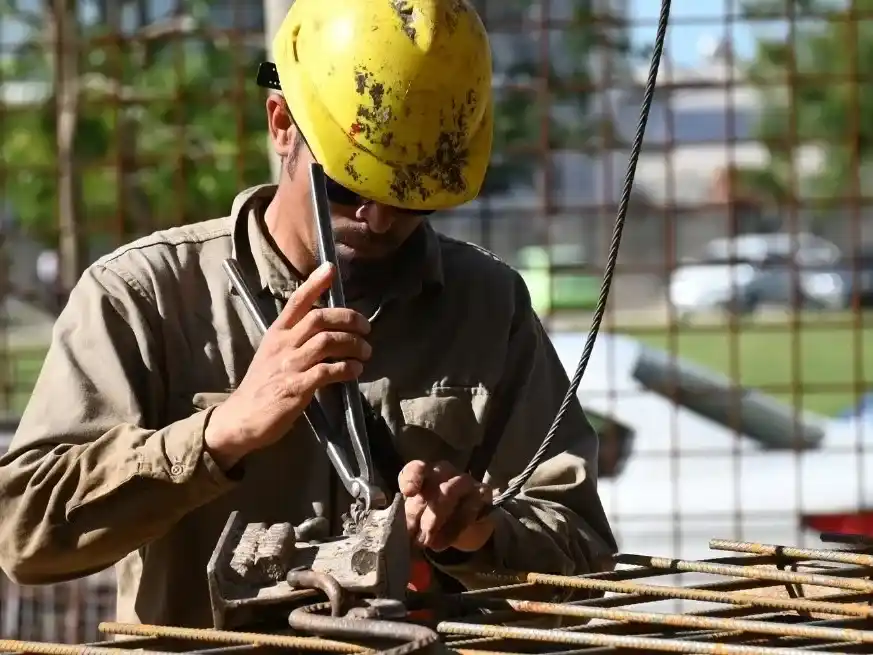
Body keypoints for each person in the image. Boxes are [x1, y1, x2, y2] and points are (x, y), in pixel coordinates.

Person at [0, 0, 616, 629]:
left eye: (411, 200)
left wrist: (481, 535)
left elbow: (583, 555)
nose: (378, 222)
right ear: (281, 125)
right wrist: (219, 434)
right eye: (348, 189)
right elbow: (22, 535)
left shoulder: (487, 306)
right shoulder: (143, 297)